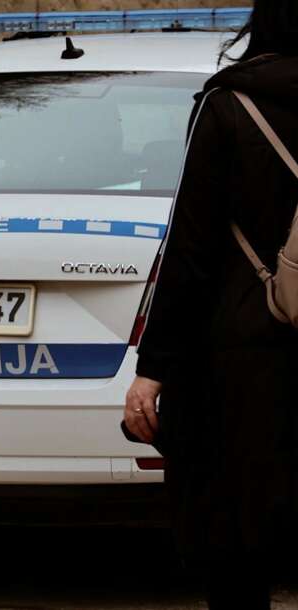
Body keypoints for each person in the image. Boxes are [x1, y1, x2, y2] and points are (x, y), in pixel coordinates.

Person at [122, 2, 298, 609]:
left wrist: (153, 370)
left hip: (241, 362)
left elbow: (191, 251)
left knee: (235, 546)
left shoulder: (230, 105)